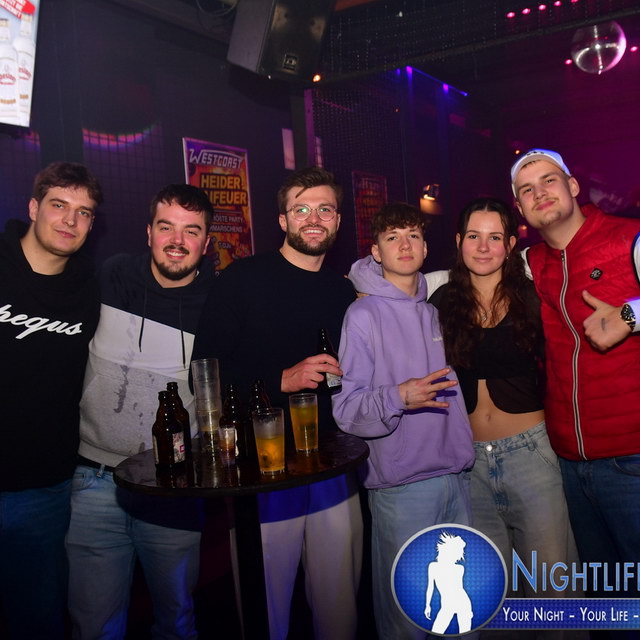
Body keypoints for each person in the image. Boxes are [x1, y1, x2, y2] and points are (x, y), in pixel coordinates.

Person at [191, 167, 363, 640]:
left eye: (324, 209)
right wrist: (279, 379)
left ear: (338, 221)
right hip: (262, 466)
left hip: (332, 460)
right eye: (301, 209)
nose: (314, 218)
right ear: (283, 220)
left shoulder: (343, 290)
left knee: (340, 606)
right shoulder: (242, 279)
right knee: (266, 607)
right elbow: (205, 373)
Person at [66, 184, 215, 639]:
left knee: (176, 622)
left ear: (206, 242)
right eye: (166, 227)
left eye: (192, 231)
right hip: (95, 481)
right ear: (148, 232)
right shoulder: (112, 276)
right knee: (94, 625)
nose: (177, 240)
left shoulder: (219, 304)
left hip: (173, 488)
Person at [332, 202, 474, 640]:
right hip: (402, 488)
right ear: (376, 252)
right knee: (408, 620)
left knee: (462, 618)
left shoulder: (432, 311)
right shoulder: (362, 315)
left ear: (426, 247)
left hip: (457, 478)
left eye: (413, 235)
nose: (405, 244)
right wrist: (399, 397)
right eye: (392, 237)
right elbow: (346, 409)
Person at [428, 197, 579, 601]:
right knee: (490, 595)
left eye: (494, 237)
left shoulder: (533, 297)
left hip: (532, 457)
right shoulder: (441, 303)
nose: (483, 247)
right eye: (473, 236)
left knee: (551, 589)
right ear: (458, 241)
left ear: (511, 244)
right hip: (469, 463)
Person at [511, 148, 640, 597]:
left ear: (572, 186)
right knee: (607, 601)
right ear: (521, 208)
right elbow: (471, 272)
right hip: (569, 463)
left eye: (549, 180)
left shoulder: (628, 238)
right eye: (527, 189)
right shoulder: (533, 262)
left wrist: (629, 316)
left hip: (632, 459)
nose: (539, 193)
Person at [0, 162, 103, 640]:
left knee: (38, 622)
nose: (70, 220)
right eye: (59, 205)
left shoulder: (90, 290)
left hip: (42, 490)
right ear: (33, 207)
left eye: (84, 212)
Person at [424, 532, 472, 635]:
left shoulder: (459, 568)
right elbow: (430, 587)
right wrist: (427, 605)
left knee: (465, 634)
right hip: (447, 605)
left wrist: (468, 610)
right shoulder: (433, 566)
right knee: (436, 632)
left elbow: (459, 589)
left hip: (463, 603)